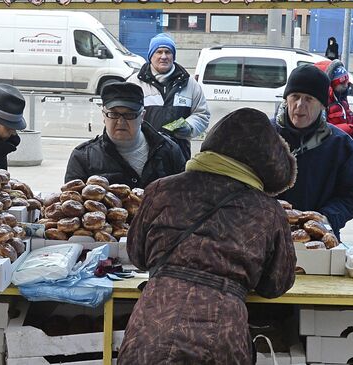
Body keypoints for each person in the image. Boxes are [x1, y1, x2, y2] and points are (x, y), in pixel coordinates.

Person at [118, 108, 297, 364]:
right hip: (222, 336)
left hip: (153, 326)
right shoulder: (268, 211)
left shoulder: (161, 190)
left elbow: (137, 256)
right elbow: (276, 285)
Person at [273, 64, 353, 239]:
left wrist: (325, 219)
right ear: (286, 99)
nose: (300, 105)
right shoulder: (264, 135)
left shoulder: (341, 145)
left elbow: (350, 196)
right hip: (266, 236)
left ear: (323, 105)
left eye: (309, 99)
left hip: (318, 240)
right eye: (295, 96)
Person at [65, 82, 185, 188]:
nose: (121, 122)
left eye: (129, 115)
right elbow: (71, 204)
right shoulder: (83, 158)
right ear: (103, 115)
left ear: (142, 116)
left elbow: (185, 197)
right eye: (113, 114)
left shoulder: (168, 150)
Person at [127, 33, 209, 160]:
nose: (163, 56)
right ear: (150, 56)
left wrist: (189, 125)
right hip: (143, 153)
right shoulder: (134, 83)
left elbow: (202, 114)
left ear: (173, 56)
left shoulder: (190, 83)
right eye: (159, 52)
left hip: (179, 154)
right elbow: (125, 116)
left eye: (168, 52)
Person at [315, 59, 353, 139]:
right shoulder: (322, 102)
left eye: (347, 82)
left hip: (341, 144)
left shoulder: (341, 99)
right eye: (341, 83)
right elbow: (323, 129)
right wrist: (352, 130)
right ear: (331, 84)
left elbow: (346, 121)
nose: (345, 86)